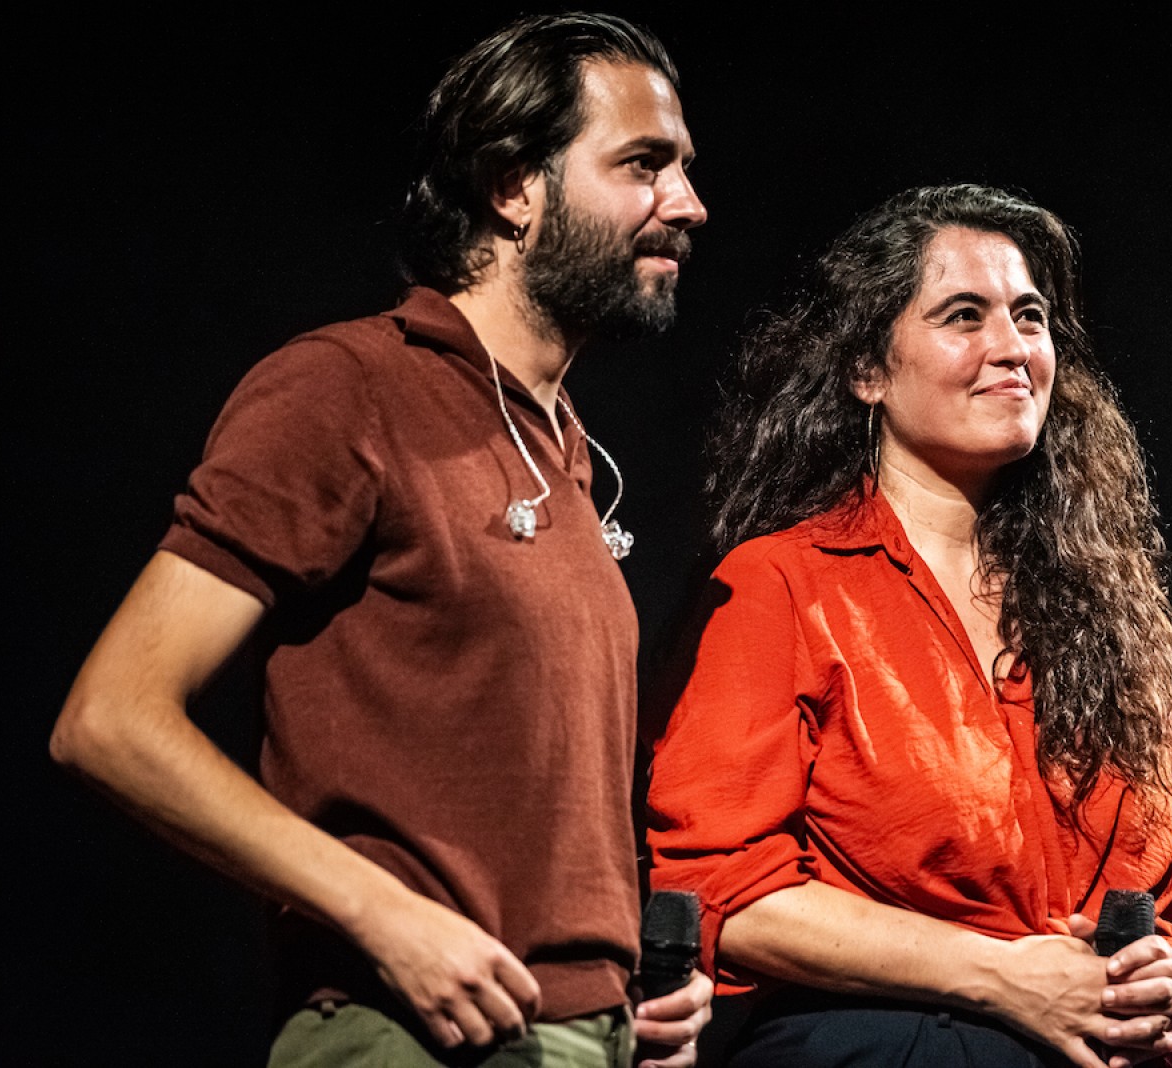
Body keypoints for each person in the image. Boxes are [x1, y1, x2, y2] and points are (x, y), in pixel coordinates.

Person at [49, 12, 713, 1067]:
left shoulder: (565, 450)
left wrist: (621, 993)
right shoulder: (350, 387)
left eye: (682, 168)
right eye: (643, 164)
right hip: (411, 1032)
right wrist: (378, 911)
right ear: (513, 187)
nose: (687, 204)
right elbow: (110, 719)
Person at [644, 183, 1172, 1067]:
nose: (1013, 348)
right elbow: (718, 886)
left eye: (1030, 318)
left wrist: (1164, 986)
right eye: (964, 315)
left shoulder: (1111, 615)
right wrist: (1003, 975)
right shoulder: (783, 585)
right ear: (868, 371)